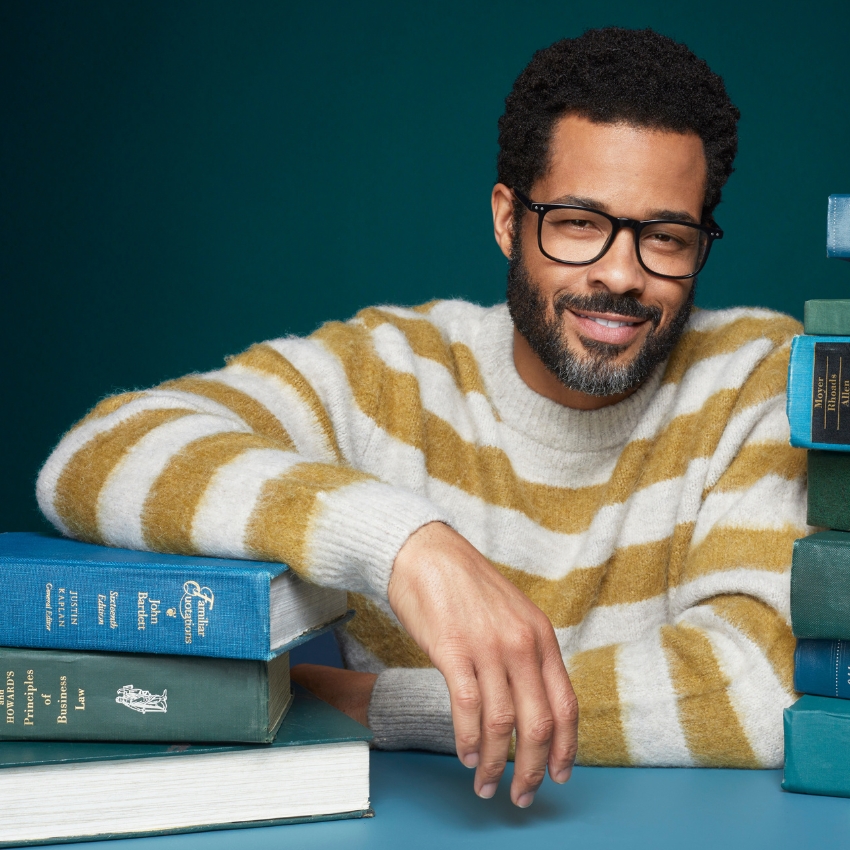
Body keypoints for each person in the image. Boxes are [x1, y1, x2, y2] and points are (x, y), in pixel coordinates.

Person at [36, 27, 807, 809]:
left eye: (665, 238)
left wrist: (385, 706)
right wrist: (406, 546)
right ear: (508, 220)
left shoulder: (760, 375)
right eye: (578, 223)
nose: (620, 273)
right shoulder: (391, 374)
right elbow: (94, 456)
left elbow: (757, 689)